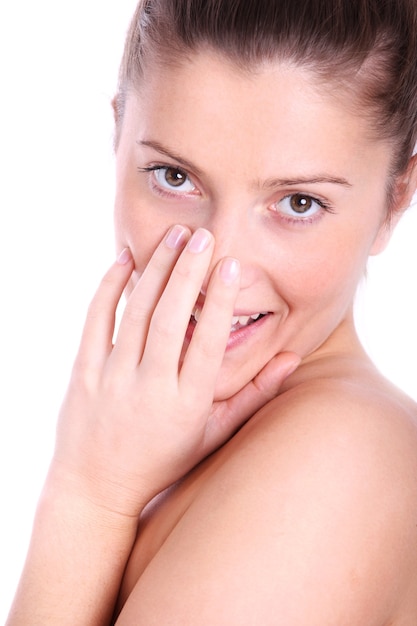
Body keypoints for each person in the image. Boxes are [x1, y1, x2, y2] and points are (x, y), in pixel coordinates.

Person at [6, 0, 417, 623]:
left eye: (299, 203)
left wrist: (87, 496)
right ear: (117, 135)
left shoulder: (337, 460)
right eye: (173, 177)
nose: (219, 266)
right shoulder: (161, 439)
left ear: (395, 199)